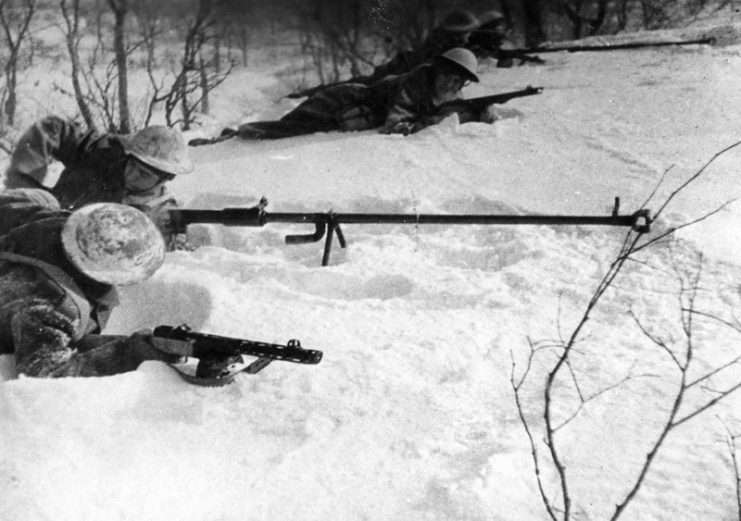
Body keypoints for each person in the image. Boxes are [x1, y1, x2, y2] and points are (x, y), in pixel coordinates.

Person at [0, 188, 189, 377]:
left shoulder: (65, 232)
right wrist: (130, 356)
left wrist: (138, 346)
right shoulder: (50, 303)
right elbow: (47, 372)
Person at [205, 48, 491, 142]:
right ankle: (230, 136)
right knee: (287, 129)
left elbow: (454, 107)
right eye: (449, 76)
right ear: (437, 71)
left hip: (353, 112)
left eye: (458, 80)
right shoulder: (414, 84)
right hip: (344, 102)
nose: (452, 84)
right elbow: (395, 124)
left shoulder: (446, 91)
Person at [3, 116, 194, 242]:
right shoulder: (103, 152)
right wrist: (23, 182)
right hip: (35, 220)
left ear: (163, 180)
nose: (132, 174)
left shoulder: (160, 210)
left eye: (144, 175)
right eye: (132, 165)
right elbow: (51, 128)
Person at [467, 10, 544, 67]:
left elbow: (507, 54)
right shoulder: (475, 49)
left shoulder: (495, 46)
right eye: (496, 26)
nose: (499, 28)